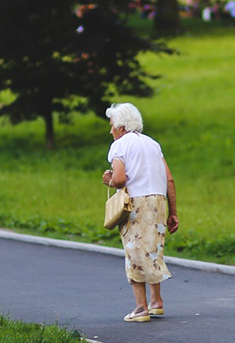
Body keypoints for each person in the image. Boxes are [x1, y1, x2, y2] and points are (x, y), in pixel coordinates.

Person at [101, 103, 179, 323]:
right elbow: (169, 179)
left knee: (134, 252)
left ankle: (140, 308)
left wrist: (109, 180)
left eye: (112, 126)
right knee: (153, 250)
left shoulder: (119, 145)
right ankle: (156, 302)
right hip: (158, 201)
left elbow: (119, 179)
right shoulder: (153, 144)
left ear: (121, 126)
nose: (110, 131)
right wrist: (173, 212)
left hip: (136, 204)